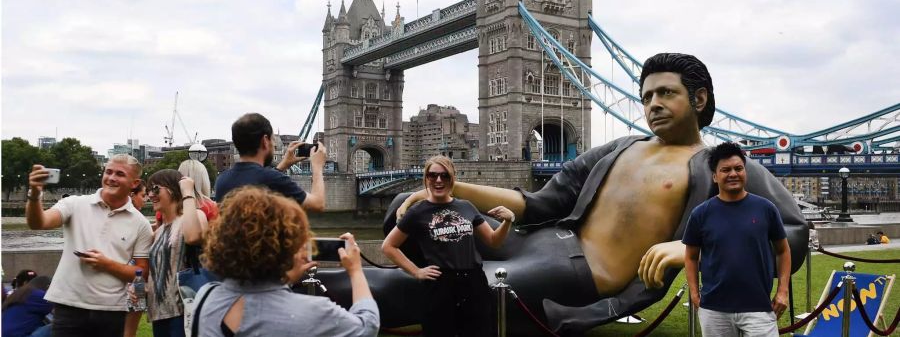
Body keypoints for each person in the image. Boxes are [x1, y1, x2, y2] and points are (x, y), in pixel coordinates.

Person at [322, 53, 807, 336]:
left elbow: (791, 229)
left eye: (666, 94)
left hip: (580, 270)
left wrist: (689, 248)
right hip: (542, 238)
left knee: (466, 290)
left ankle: (314, 294)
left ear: (698, 100)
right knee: (401, 209)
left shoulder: (722, 165)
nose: (653, 105)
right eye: (646, 97)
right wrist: (451, 187)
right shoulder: (621, 148)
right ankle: (324, 280)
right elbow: (542, 204)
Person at [196, 187, 379, 337]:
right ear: (288, 247)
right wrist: (355, 271)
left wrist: (286, 279)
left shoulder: (206, 296)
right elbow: (367, 326)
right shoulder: (313, 311)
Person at [382, 156, 514, 337]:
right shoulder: (417, 211)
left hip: (473, 282)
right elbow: (389, 246)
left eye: (444, 176)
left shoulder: (466, 207)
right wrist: (416, 271)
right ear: (426, 178)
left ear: (452, 178)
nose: (438, 180)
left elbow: (493, 241)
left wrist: (507, 221)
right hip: (440, 284)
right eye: (432, 175)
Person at [26, 155, 154, 337]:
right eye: (108, 172)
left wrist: (106, 264)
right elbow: (38, 223)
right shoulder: (74, 204)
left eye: (119, 174)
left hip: (112, 311)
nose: (111, 178)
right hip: (69, 306)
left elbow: (141, 273)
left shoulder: (141, 224)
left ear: (135, 183)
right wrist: (35, 194)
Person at [683, 142, 791, 337]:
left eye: (738, 168)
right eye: (725, 170)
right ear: (715, 176)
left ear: (745, 172)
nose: (733, 174)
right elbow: (691, 256)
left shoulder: (766, 209)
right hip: (714, 308)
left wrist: (783, 291)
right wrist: (693, 292)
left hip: (759, 306)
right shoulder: (700, 214)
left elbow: (783, 250)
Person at [213, 113, 326, 212]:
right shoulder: (273, 179)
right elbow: (317, 204)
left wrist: (283, 165)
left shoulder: (222, 180)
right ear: (265, 141)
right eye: (273, 140)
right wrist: (317, 167)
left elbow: (257, 179)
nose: (273, 145)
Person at [145, 169, 208, 337]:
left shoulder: (196, 216)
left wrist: (187, 192)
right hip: (159, 311)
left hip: (184, 309)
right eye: (148, 190)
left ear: (174, 189)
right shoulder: (158, 231)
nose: (150, 195)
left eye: (156, 189)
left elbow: (193, 236)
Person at [125, 182, 149, 337]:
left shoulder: (130, 218)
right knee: (129, 329)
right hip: (134, 278)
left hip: (128, 278)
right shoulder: (137, 220)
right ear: (132, 195)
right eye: (143, 195)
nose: (146, 199)